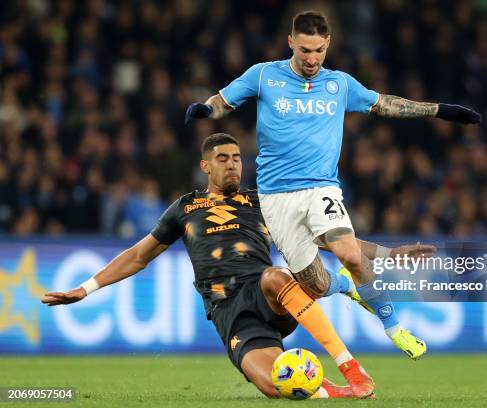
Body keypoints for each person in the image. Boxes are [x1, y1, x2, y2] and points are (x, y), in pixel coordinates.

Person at [184, 10, 461, 359]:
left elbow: (384, 104)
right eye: (304, 50)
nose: (312, 58)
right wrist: (206, 111)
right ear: (291, 43)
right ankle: (347, 285)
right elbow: (223, 101)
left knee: (349, 254)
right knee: (315, 284)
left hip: (321, 188)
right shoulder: (264, 76)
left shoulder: (340, 84)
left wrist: (438, 110)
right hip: (275, 197)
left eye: (318, 50)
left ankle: (394, 328)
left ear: (327, 43)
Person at [43, 133, 393, 399]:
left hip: (268, 293)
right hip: (229, 311)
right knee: (276, 387)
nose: (232, 165)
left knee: (275, 275)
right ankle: (331, 391)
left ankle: (352, 368)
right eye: (223, 158)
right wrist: (85, 288)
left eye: (237, 158)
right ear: (205, 166)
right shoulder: (184, 208)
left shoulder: (264, 202)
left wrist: (391, 254)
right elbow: (138, 255)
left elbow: (329, 240)